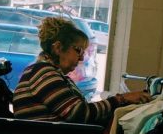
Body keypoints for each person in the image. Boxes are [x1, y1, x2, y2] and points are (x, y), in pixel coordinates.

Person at [13, 16, 150, 124]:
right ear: (58, 48)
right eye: (78, 50)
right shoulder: (43, 73)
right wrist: (121, 100)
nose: (81, 58)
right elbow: (78, 113)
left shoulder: (47, 72)